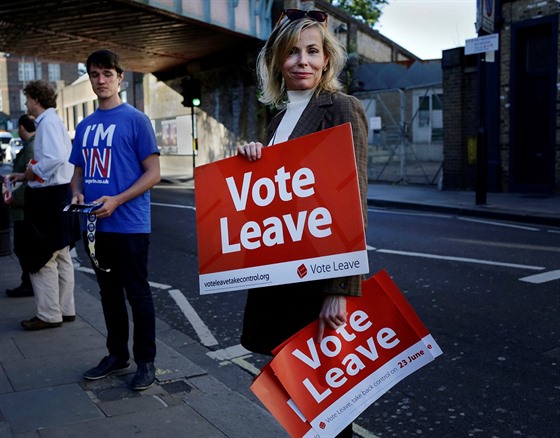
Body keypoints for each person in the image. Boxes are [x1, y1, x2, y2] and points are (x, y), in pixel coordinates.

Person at [237, 9, 368, 438]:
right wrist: (253, 162)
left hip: (316, 280)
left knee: (328, 401)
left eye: (313, 51)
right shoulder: (277, 120)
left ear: (327, 59)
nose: (303, 61)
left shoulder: (341, 108)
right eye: (292, 52)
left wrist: (340, 290)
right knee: (295, 393)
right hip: (280, 275)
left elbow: (353, 204)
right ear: (277, 61)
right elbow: (271, 199)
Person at [70, 49, 161, 391]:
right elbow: (77, 173)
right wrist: (77, 194)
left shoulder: (136, 120)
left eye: (107, 73)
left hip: (130, 225)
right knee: (108, 294)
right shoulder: (84, 125)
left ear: (120, 77)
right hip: (95, 226)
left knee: (137, 294)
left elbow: (154, 173)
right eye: (95, 74)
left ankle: (146, 361)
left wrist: (118, 199)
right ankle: (116, 354)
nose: (101, 80)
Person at [10, 80, 80, 330]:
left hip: (47, 199)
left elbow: (55, 158)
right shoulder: (54, 122)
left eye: (28, 98)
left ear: (36, 99)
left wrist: (32, 172)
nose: (26, 102)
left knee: (41, 256)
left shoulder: (47, 123)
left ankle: (49, 314)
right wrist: (24, 175)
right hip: (57, 194)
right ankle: (65, 309)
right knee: (61, 255)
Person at [5, 115, 36, 297]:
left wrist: (14, 199)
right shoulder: (32, 145)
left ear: (22, 128)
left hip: (25, 209)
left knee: (24, 248)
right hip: (24, 207)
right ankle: (28, 282)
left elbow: (31, 179)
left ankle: (29, 284)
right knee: (22, 248)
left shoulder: (32, 147)